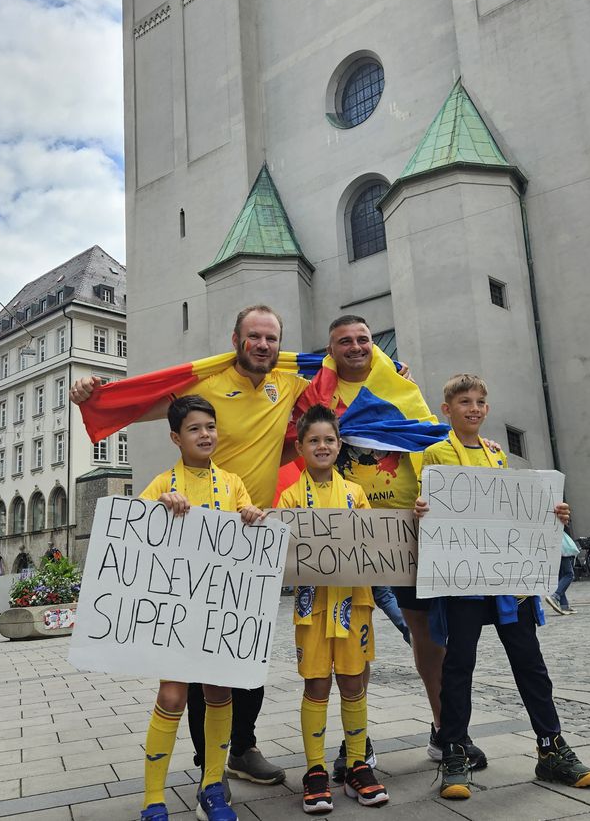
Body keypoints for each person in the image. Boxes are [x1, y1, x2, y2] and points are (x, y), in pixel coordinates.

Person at [71, 305, 303, 786]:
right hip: (195, 545)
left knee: (247, 657)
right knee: (196, 670)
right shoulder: (207, 384)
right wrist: (94, 396)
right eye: (254, 336)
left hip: (248, 540)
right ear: (236, 338)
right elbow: (142, 404)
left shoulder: (290, 379)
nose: (263, 345)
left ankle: (240, 748)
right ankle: (207, 764)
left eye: (271, 337)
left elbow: (343, 382)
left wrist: (390, 372)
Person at [293, 315, 486, 769]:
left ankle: (446, 731)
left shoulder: (399, 384)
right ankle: (354, 745)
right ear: (331, 348)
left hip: (408, 525)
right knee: (345, 638)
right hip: (345, 527)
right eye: (345, 341)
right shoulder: (315, 389)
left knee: (425, 632)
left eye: (363, 339)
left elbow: (429, 437)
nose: (356, 347)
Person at [418, 373, 590, 799]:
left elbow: (510, 510)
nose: (474, 408)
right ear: (447, 410)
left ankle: (551, 747)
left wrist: (551, 512)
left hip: (506, 579)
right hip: (462, 578)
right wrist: (423, 508)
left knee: (530, 662)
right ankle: (455, 751)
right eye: (465, 402)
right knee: (459, 665)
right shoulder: (434, 454)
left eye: (480, 401)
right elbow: (431, 506)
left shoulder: (497, 455)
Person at [137, 395, 264, 821]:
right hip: (176, 610)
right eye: (194, 428)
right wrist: (158, 508)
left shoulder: (232, 483)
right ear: (176, 437)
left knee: (218, 692)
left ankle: (212, 787)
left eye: (210, 426)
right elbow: (132, 532)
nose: (205, 434)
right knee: (172, 696)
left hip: (220, 609)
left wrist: (251, 516)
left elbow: (247, 522)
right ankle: (153, 799)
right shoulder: (161, 484)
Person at [279, 405, 407, 812]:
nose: (322, 446)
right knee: (316, 685)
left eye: (329, 440)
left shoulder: (355, 494)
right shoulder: (289, 496)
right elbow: (281, 550)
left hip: (355, 603)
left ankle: (357, 764)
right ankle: (314, 769)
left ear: (339, 446)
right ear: (300, 446)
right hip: (311, 606)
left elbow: (374, 545)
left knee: (354, 682)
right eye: (313, 440)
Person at [546, 519, 578, 615]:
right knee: (569, 574)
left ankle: (564, 605)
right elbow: (565, 523)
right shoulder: (557, 513)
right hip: (561, 547)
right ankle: (555, 597)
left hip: (553, 546)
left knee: (561, 576)